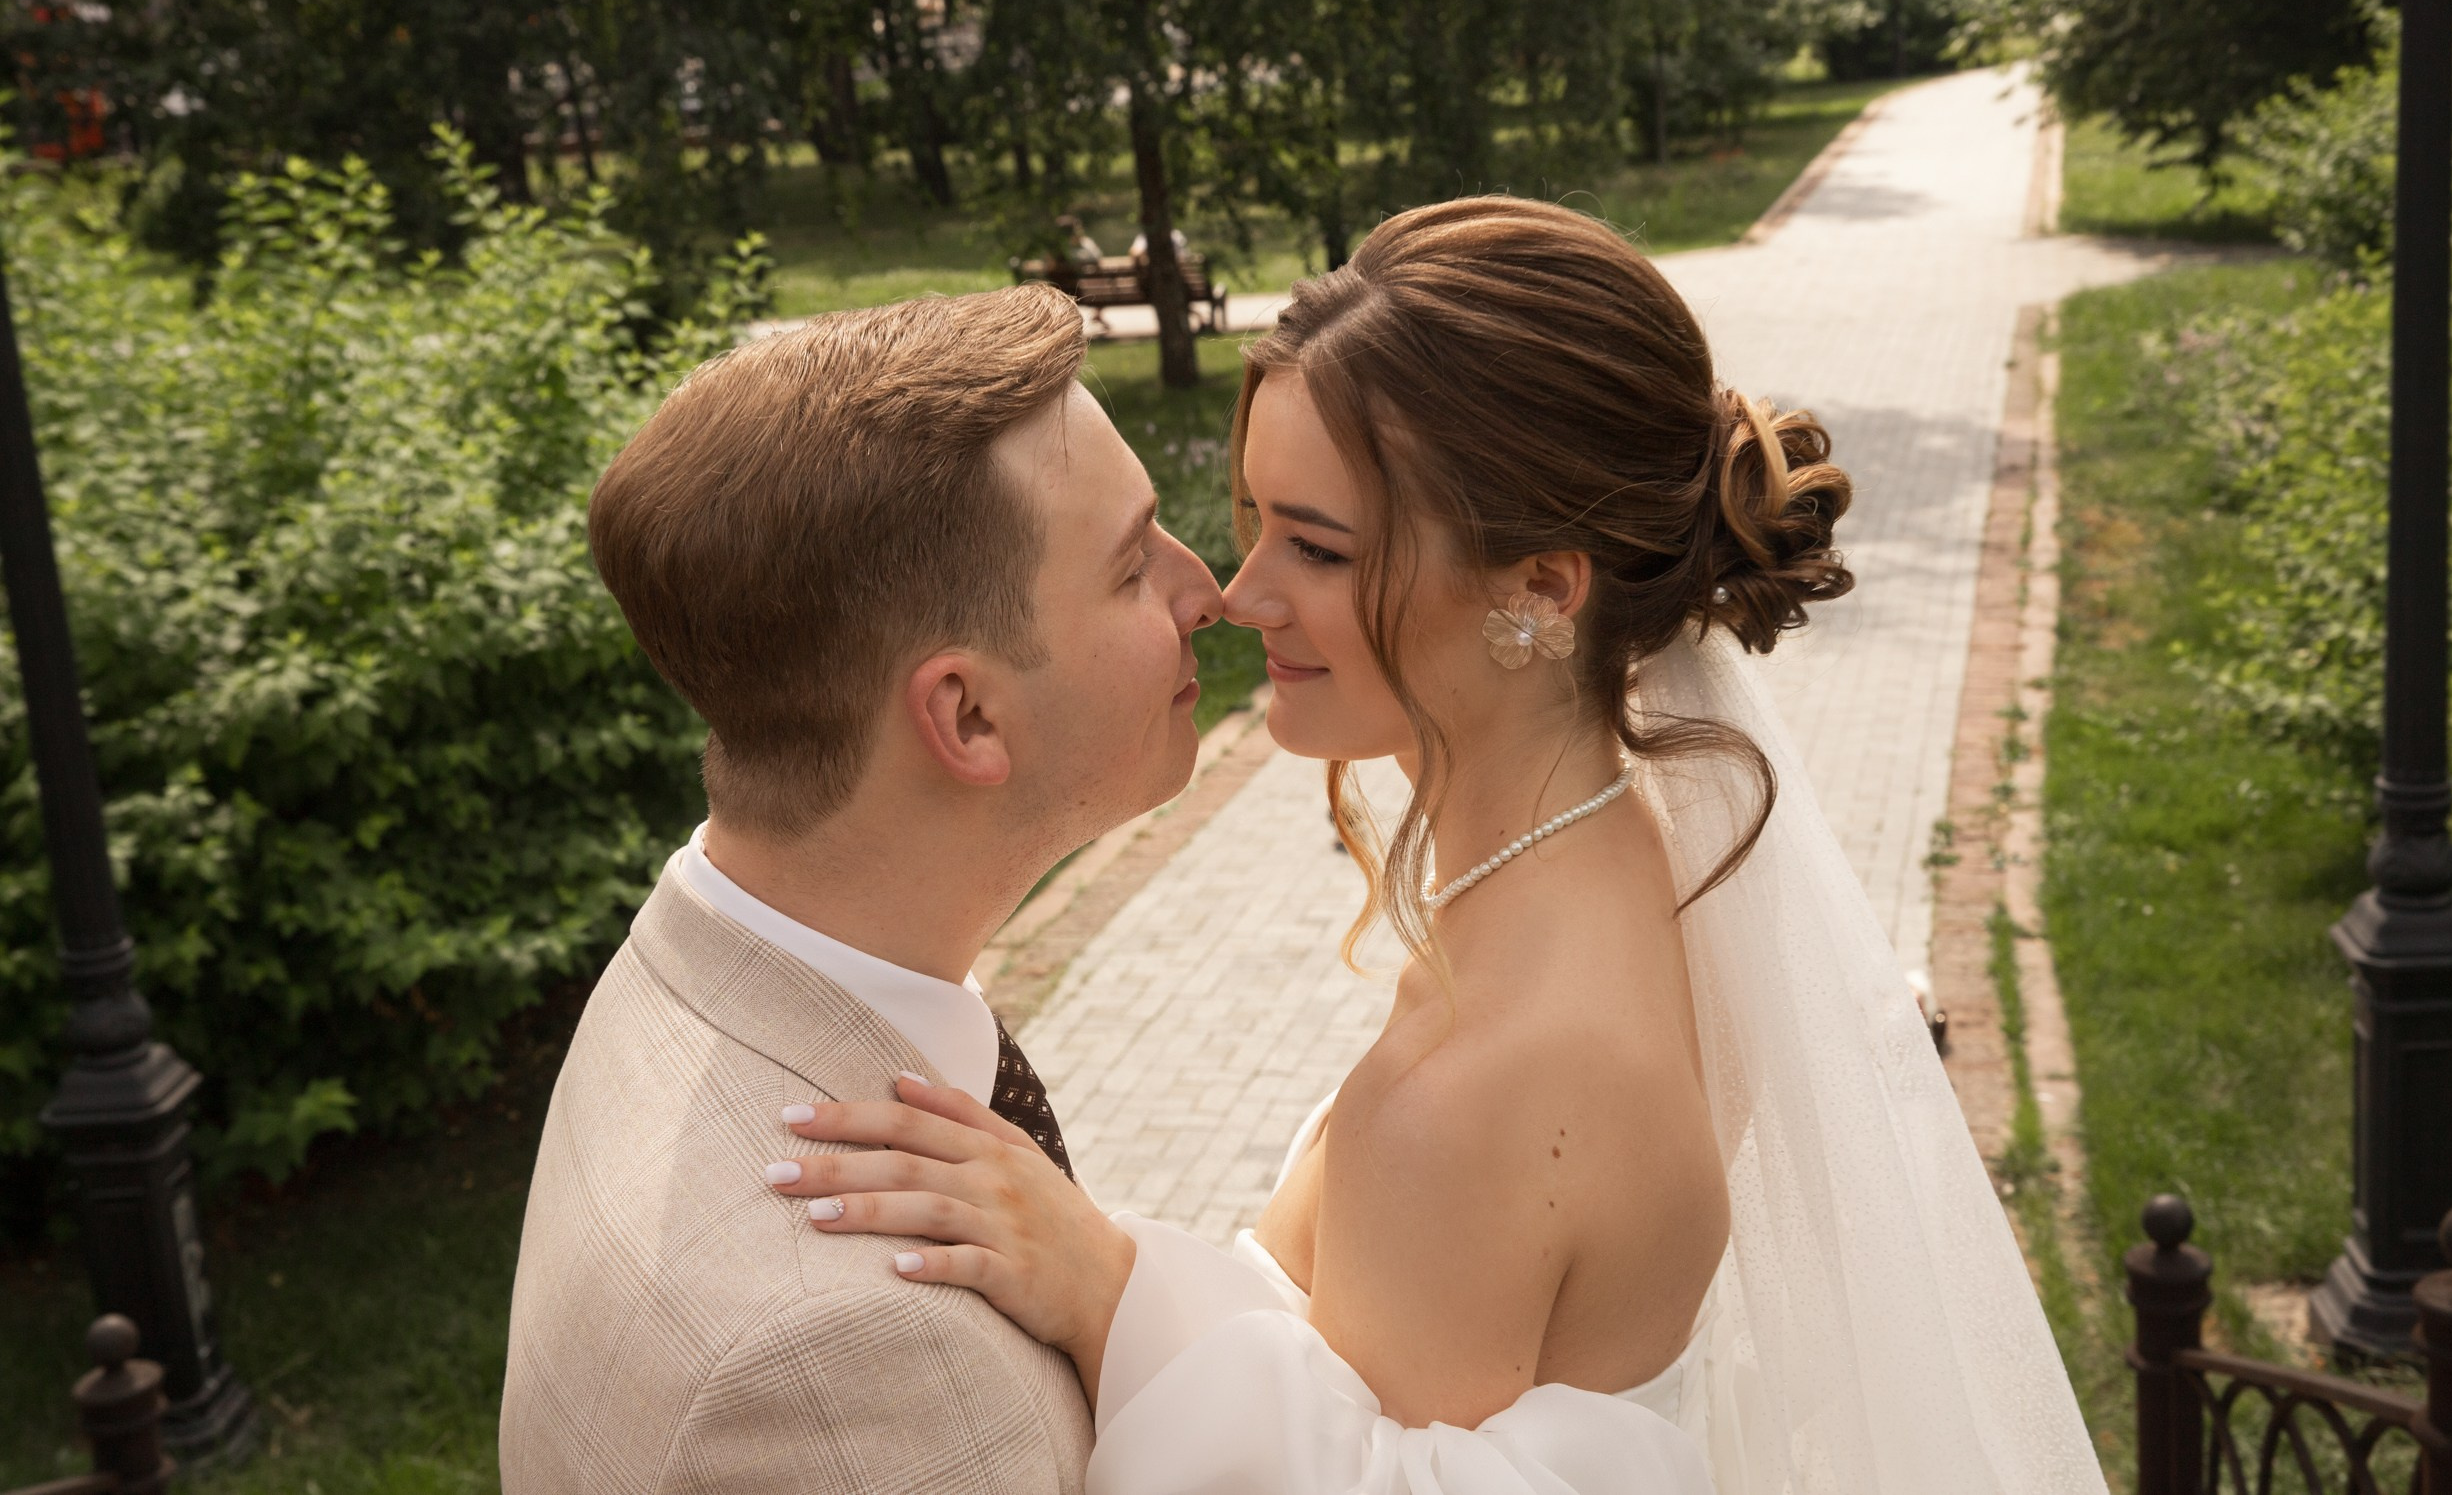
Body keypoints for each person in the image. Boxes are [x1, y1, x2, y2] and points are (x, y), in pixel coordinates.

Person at [759, 197, 2106, 1493]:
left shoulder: (1487, 1079)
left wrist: (1108, 1287)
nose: (1240, 593)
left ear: (1538, 586)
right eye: (1257, 521)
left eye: (1321, 547)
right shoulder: (1636, 861)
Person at [498, 286, 1220, 1494]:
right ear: (967, 712)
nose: (1208, 589)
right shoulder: (847, 1357)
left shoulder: (691, 965)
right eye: (1132, 562)